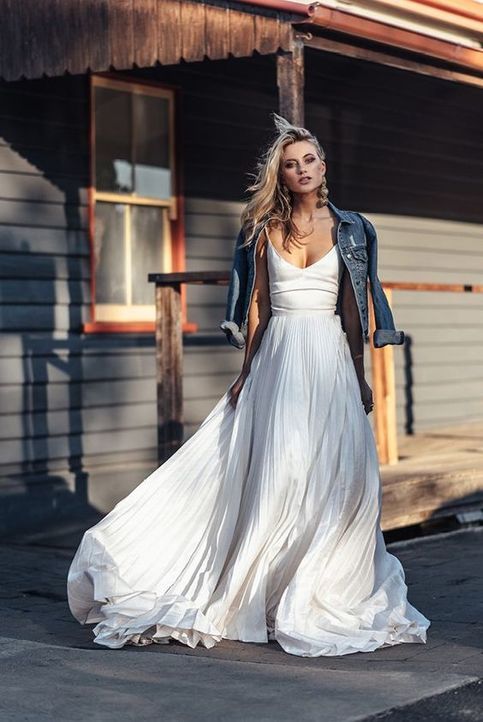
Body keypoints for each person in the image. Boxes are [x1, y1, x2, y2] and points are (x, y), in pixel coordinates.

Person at [67, 113, 431, 656]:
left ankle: (326, 583)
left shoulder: (353, 228)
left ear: (323, 167)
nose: (302, 170)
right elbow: (257, 305)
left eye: (309, 160)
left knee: (341, 474)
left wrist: (357, 375)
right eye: (291, 164)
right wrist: (245, 373)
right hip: (279, 358)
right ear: (280, 176)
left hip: (329, 355)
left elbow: (353, 311)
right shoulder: (263, 230)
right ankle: (264, 585)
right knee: (280, 472)